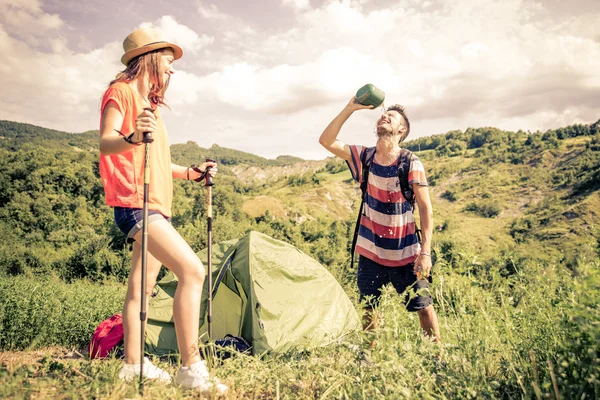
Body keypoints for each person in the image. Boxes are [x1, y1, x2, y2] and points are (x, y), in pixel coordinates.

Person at [98, 27, 228, 394]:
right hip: (136, 204)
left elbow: (154, 158)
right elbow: (106, 142)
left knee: (142, 288)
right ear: (151, 59)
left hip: (154, 205)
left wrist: (190, 173)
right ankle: (191, 368)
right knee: (193, 270)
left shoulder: (151, 107)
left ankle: (134, 365)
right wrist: (131, 137)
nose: (172, 72)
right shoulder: (120, 93)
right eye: (168, 63)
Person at [319, 96, 441, 345]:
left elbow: (426, 210)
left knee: (424, 307)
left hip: (407, 253)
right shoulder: (364, 157)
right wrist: (351, 107)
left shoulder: (411, 162)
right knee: (368, 308)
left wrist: (425, 252)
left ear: (401, 130)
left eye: (391, 117)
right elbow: (326, 141)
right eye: (383, 115)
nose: (384, 116)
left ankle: (437, 357)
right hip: (371, 252)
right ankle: (369, 358)